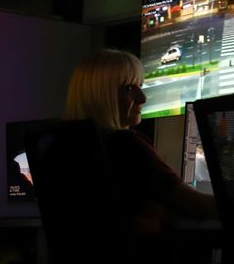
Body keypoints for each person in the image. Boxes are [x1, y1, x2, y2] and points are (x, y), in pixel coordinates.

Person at [63, 49, 217, 238]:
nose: (142, 98)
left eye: (140, 86)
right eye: (129, 88)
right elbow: (196, 205)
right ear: (101, 95)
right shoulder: (125, 146)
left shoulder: (60, 149)